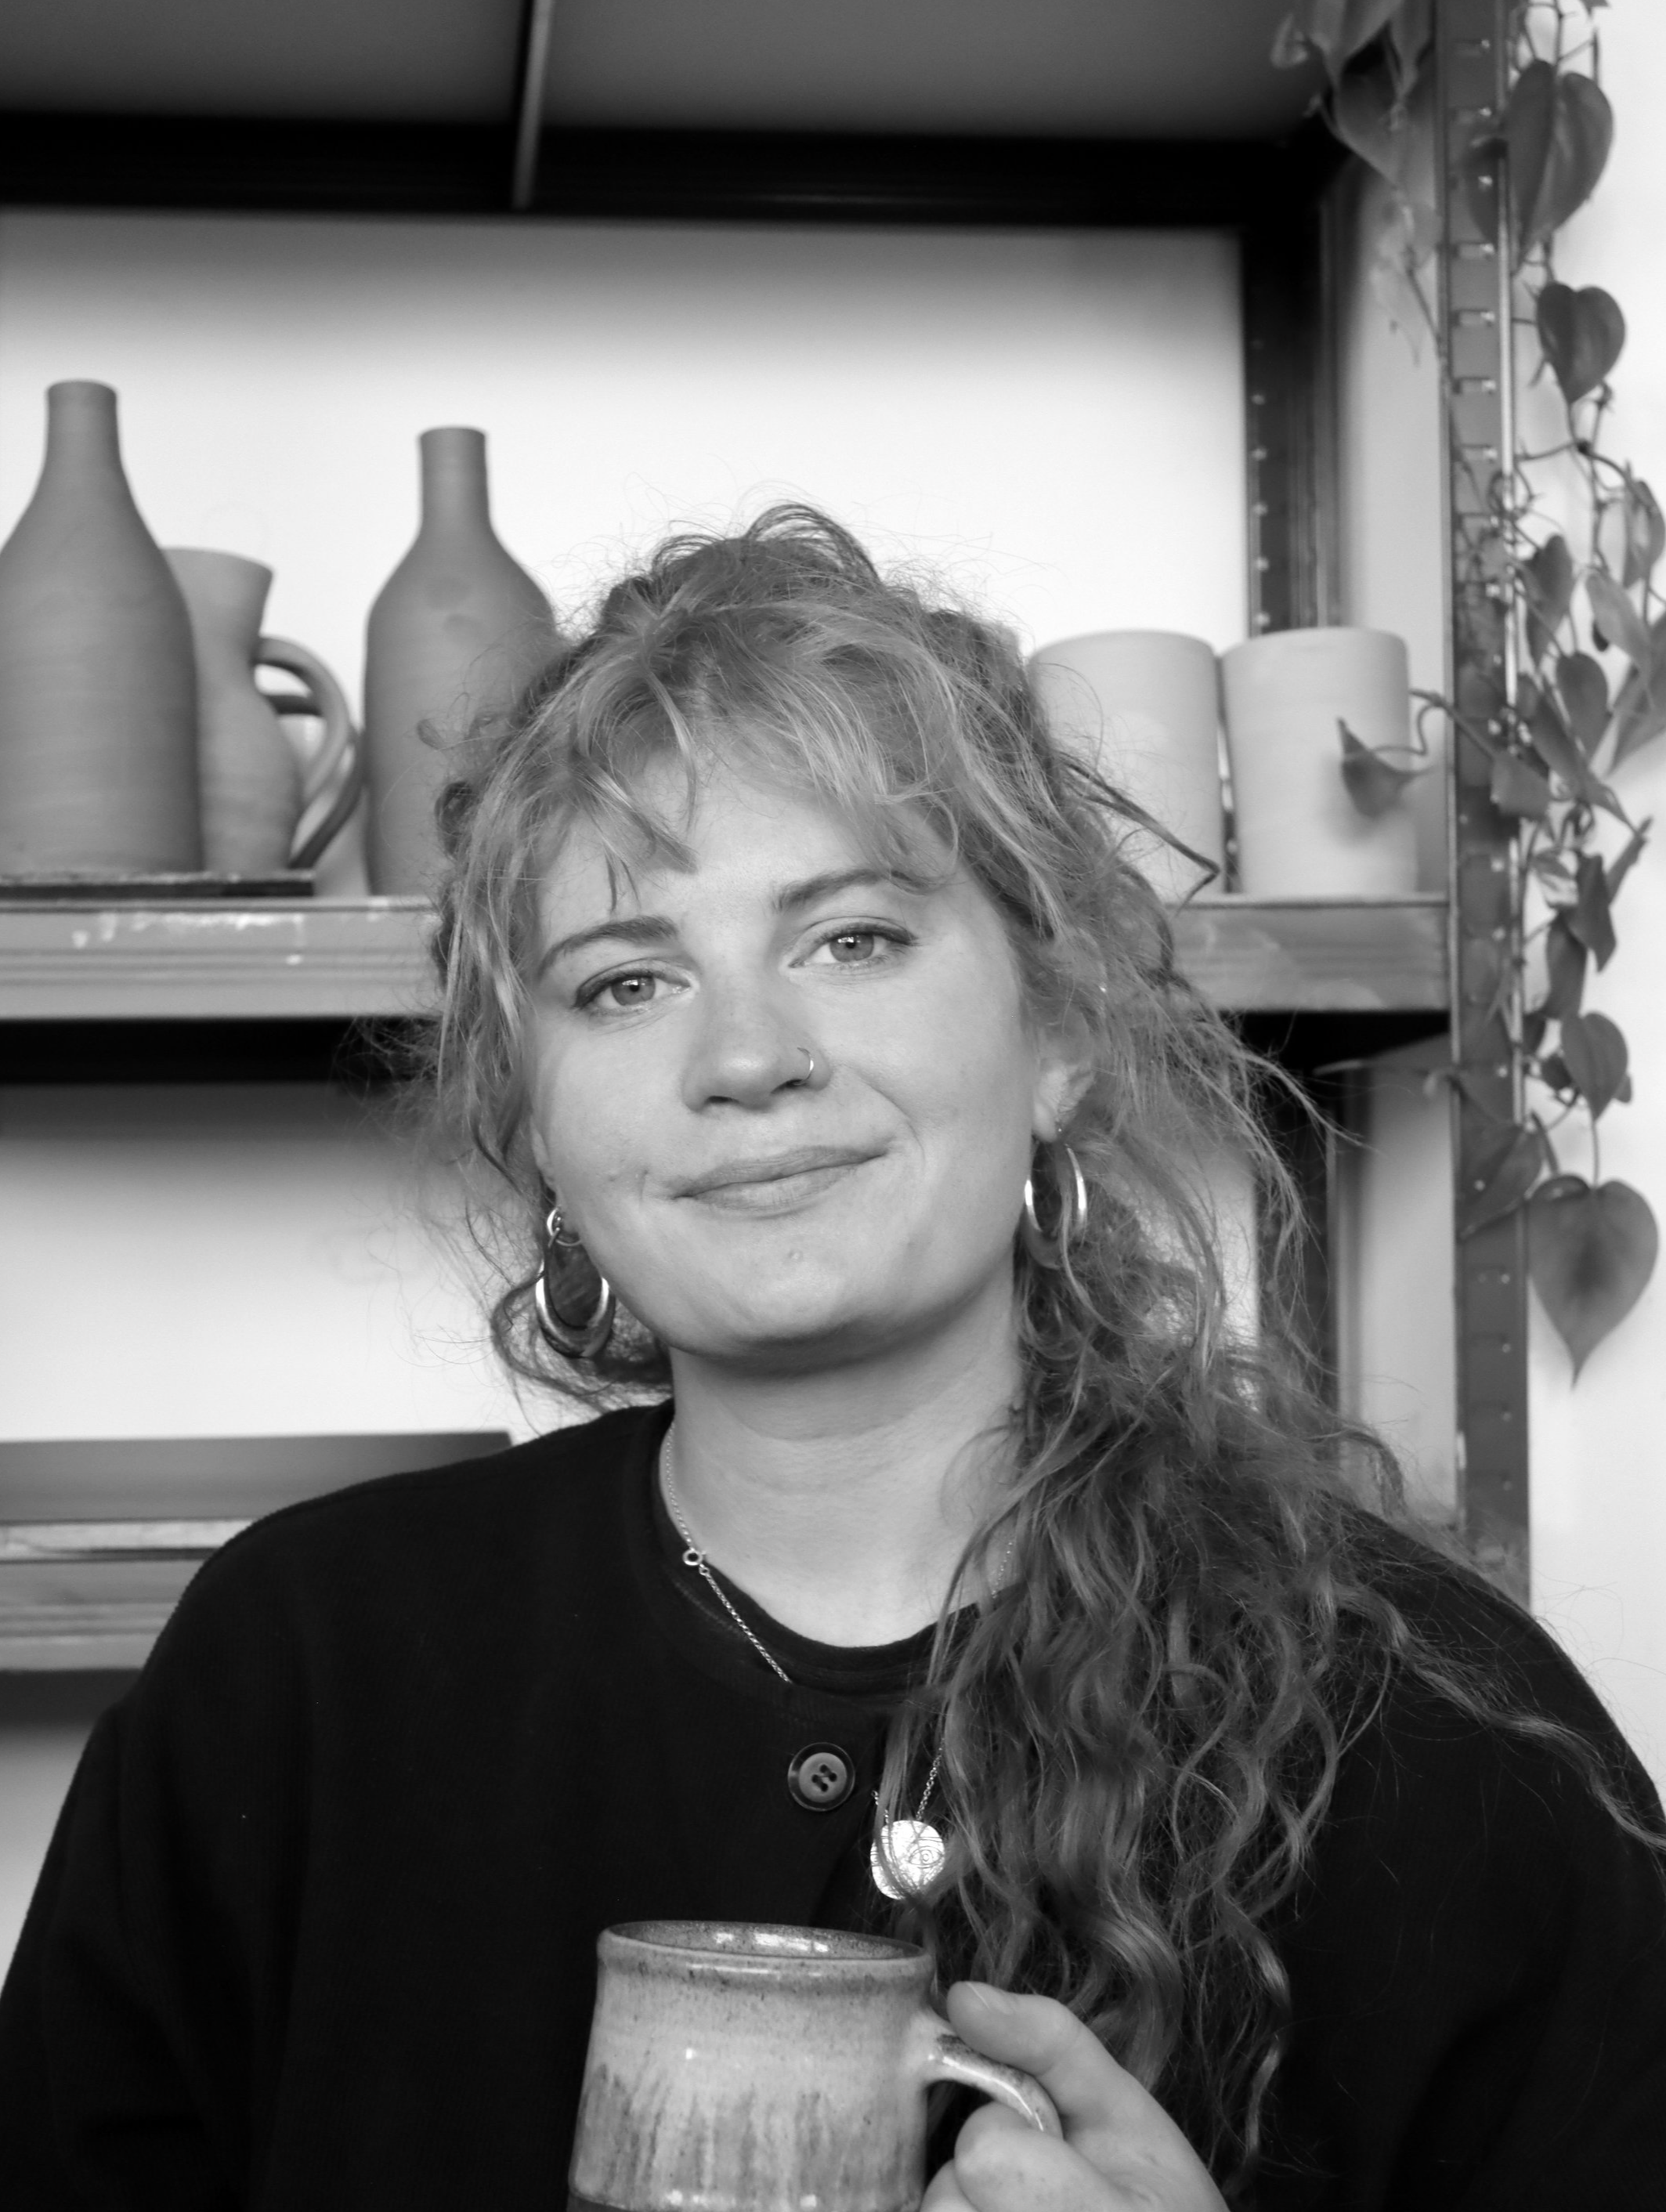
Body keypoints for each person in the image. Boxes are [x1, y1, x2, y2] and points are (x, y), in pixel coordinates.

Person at [2, 505, 1663, 2211]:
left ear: (1062, 1035)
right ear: (537, 1125)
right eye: (626, 980)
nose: (745, 1054)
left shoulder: (1442, 1737)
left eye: (851, 937)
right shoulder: (294, 1676)